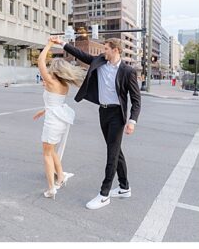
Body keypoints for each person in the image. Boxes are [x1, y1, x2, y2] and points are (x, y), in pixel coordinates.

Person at [52, 36, 141, 210]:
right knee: (116, 150)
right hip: (103, 112)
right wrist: (62, 43)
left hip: (117, 114)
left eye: (106, 48)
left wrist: (132, 121)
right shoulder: (100, 61)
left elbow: (136, 100)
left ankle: (104, 194)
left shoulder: (127, 71)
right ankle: (124, 187)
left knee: (111, 154)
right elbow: (80, 54)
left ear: (115, 50)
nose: (103, 51)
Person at [32, 37, 84, 199]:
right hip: (59, 119)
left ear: (55, 69)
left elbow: (40, 61)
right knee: (51, 150)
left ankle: (51, 188)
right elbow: (55, 103)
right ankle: (60, 176)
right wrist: (43, 111)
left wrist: (49, 44)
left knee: (46, 154)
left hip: (53, 122)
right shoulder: (63, 85)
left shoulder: (50, 82)